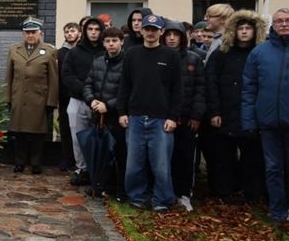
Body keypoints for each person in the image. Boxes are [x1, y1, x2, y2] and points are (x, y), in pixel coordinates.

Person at [241, 8, 289, 227]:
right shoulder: (260, 53)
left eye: (288, 20)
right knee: (273, 168)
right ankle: (277, 212)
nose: (284, 24)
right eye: (279, 21)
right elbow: (249, 88)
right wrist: (249, 120)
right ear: (272, 25)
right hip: (268, 122)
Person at [117, 14, 182, 212]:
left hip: (161, 119)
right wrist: (122, 112)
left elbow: (177, 89)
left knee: (161, 165)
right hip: (135, 117)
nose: (151, 33)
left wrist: (173, 116)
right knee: (134, 165)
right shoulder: (132, 54)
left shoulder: (171, 56)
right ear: (141, 30)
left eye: (155, 29)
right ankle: (138, 197)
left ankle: (162, 200)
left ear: (161, 32)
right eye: (147, 29)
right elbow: (124, 86)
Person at [205, 10, 266, 203]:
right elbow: (211, 82)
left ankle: (250, 192)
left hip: (251, 113)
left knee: (252, 157)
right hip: (225, 111)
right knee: (224, 157)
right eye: (241, 28)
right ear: (234, 30)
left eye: (249, 28)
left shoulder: (259, 54)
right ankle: (225, 192)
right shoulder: (222, 53)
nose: (245, 32)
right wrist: (214, 111)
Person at [162, 20, 206, 212]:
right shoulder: (159, 57)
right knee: (164, 158)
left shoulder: (193, 59)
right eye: (169, 35)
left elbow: (200, 89)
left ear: (182, 37)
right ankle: (166, 192)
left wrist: (197, 115)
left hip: (187, 118)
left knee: (186, 158)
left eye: (176, 35)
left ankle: (184, 193)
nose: (172, 38)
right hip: (163, 117)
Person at [5, 17, 58, 175]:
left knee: (37, 134)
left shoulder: (49, 51)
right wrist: (7, 98)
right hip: (19, 98)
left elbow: (54, 79)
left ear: (40, 33)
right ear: (23, 34)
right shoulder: (14, 50)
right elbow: (9, 76)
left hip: (38, 99)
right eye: (27, 32)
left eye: (33, 32)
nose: (30, 35)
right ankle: (19, 162)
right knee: (19, 132)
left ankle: (36, 163)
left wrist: (51, 101)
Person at [82, 26, 126, 199]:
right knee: (101, 153)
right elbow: (88, 84)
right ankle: (101, 186)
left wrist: (108, 105)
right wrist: (91, 100)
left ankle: (120, 190)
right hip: (98, 115)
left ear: (121, 41)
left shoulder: (128, 62)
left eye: (114, 41)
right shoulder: (98, 61)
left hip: (118, 115)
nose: (111, 44)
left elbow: (128, 91)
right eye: (107, 41)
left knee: (121, 155)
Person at [62, 17, 105, 185]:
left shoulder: (105, 51)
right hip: (78, 100)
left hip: (101, 103)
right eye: (90, 29)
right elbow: (67, 75)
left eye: (97, 29)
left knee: (99, 138)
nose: (93, 33)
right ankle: (82, 169)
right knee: (78, 138)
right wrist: (86, 92)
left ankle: (98, 170)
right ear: (84, 31)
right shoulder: (74, 52)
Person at [57, 22, 81, 171]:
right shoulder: (60, 52)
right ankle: (68, 158)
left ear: (79, 33)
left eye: (73, 31)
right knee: (65, 129)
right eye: (67, 32)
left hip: (79, 95)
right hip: (64, 95)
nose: (70, 34)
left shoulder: (81, 51)